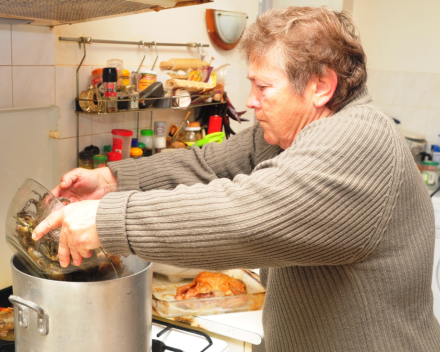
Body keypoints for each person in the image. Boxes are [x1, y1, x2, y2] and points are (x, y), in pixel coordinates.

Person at [33, 6, 440, 351]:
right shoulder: (292, 134)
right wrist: (111, 179)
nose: (250, 101)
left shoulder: (358, 140)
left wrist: (107, 220)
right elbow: (210, 165)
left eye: (264, 87)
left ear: (321, 86)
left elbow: (246, 215)